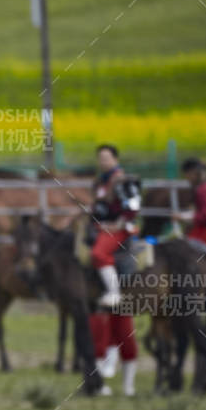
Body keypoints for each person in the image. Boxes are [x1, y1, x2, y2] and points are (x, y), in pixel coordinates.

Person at [88, 159, 143, 397]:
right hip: (107, 228)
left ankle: (113, 290)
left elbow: (132, 209)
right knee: (105, 332)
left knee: (98, 253)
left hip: (119, 231)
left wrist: (119, 222)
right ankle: (106, 383)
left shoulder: (123, 184)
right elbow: (97, 213)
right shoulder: (102, 187)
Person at [175, 157, 206, 253]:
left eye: (187, 175)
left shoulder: (203, 190)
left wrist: (184, 217)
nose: (186, 179)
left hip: (203, 233)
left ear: (192, 173)